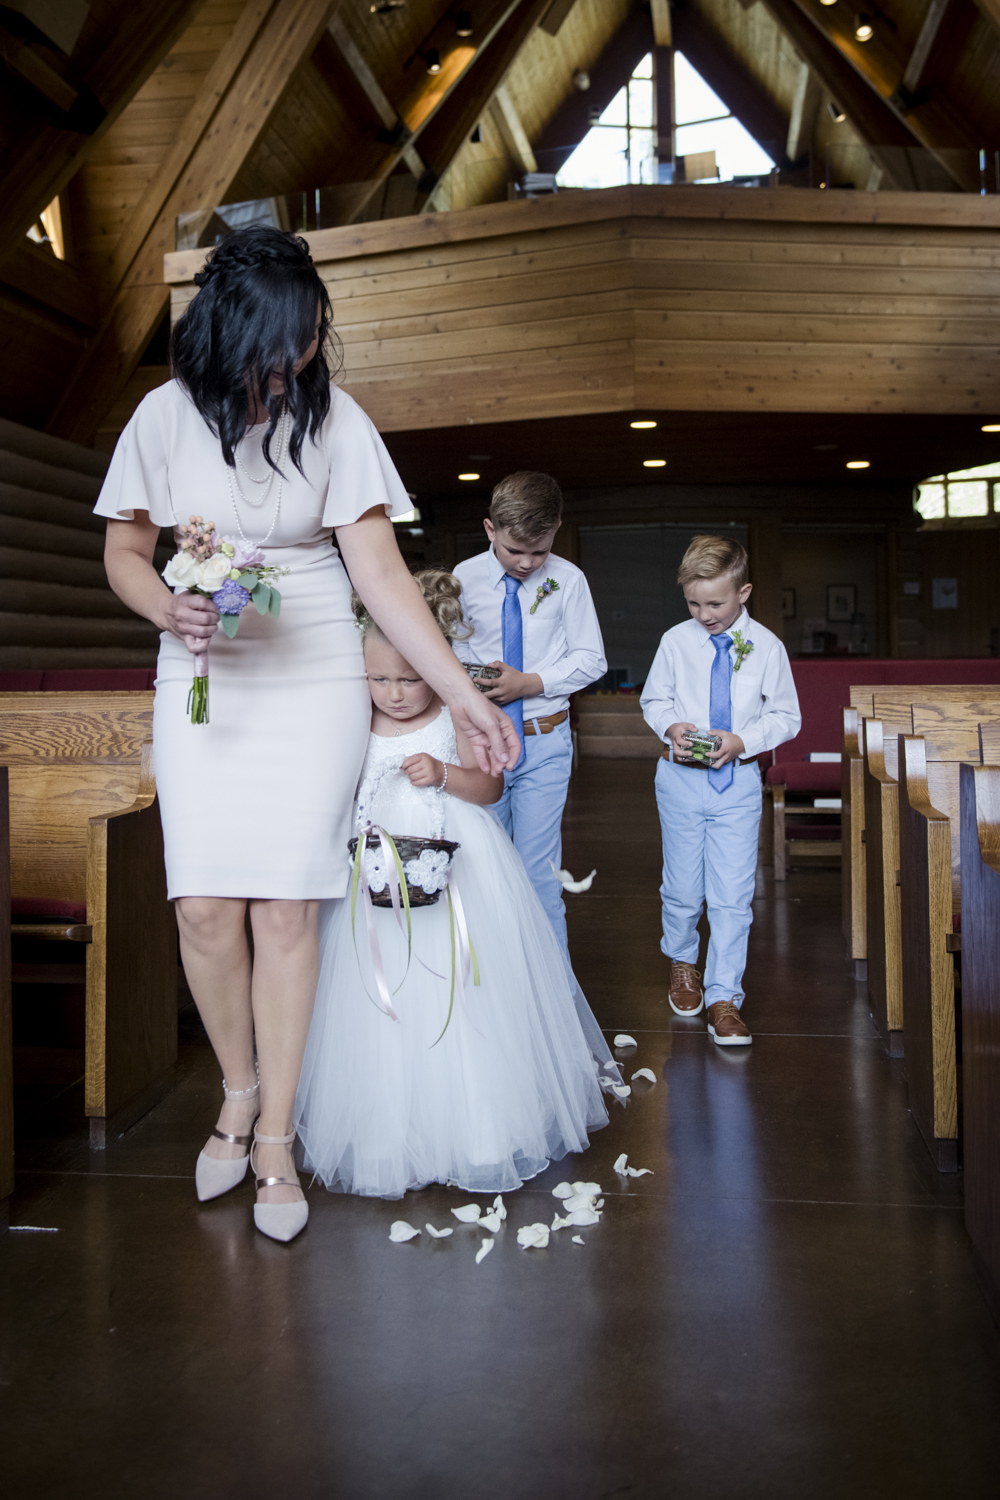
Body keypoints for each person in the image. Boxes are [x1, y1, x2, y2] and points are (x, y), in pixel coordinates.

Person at [95, 227, 517, 1243]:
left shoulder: (334, 418)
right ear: (232, 334)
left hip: (313, 663)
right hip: (204, 673)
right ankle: (234, 1090)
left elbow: (377, 572)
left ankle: (277, 1131)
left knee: (286, 910)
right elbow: (124, 550)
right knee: (202, 906)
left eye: (312, 342)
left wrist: (464, 696)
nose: (301, 363)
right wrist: (166, 608)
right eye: (286, 346)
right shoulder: (160, 418)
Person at [295, 572, 622, 1198]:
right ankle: (388, 1133)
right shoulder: (354, 718)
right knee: (378, 1000)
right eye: (379, 680)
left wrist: (444, 772)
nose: (393, 694)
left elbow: (491, 786)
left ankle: (476, 1129)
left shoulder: (457, 712)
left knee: (461, 992)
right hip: (374, 884)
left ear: (434, 664)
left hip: (456, 873)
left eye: (409, 678)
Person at [639, 535, 800, 1047]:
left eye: (715, 603)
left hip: (738, 784)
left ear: (744, 592)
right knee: (683, 888)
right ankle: (683, 961)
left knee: (732, 896)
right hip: (680, 780)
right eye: (693, 602)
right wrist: (671, 726)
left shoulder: (768, 647)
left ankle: (725, 994)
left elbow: (787, 717)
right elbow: (653, 698)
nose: (703, 614)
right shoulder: (674, 642)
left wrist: (744, 739)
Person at [453, 473, 606, 953]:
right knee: (482, 866)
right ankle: (492, 988)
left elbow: (591, 659)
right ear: (489, 529)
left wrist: (530, 683)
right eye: (514, 551)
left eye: (538, 552)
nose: (526, 563)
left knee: (540, 872)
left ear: (557, 528)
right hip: (482, 741)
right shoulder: (463, 578)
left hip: (545, 740)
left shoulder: (569, 580)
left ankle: (552, 999)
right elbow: (447, 654)